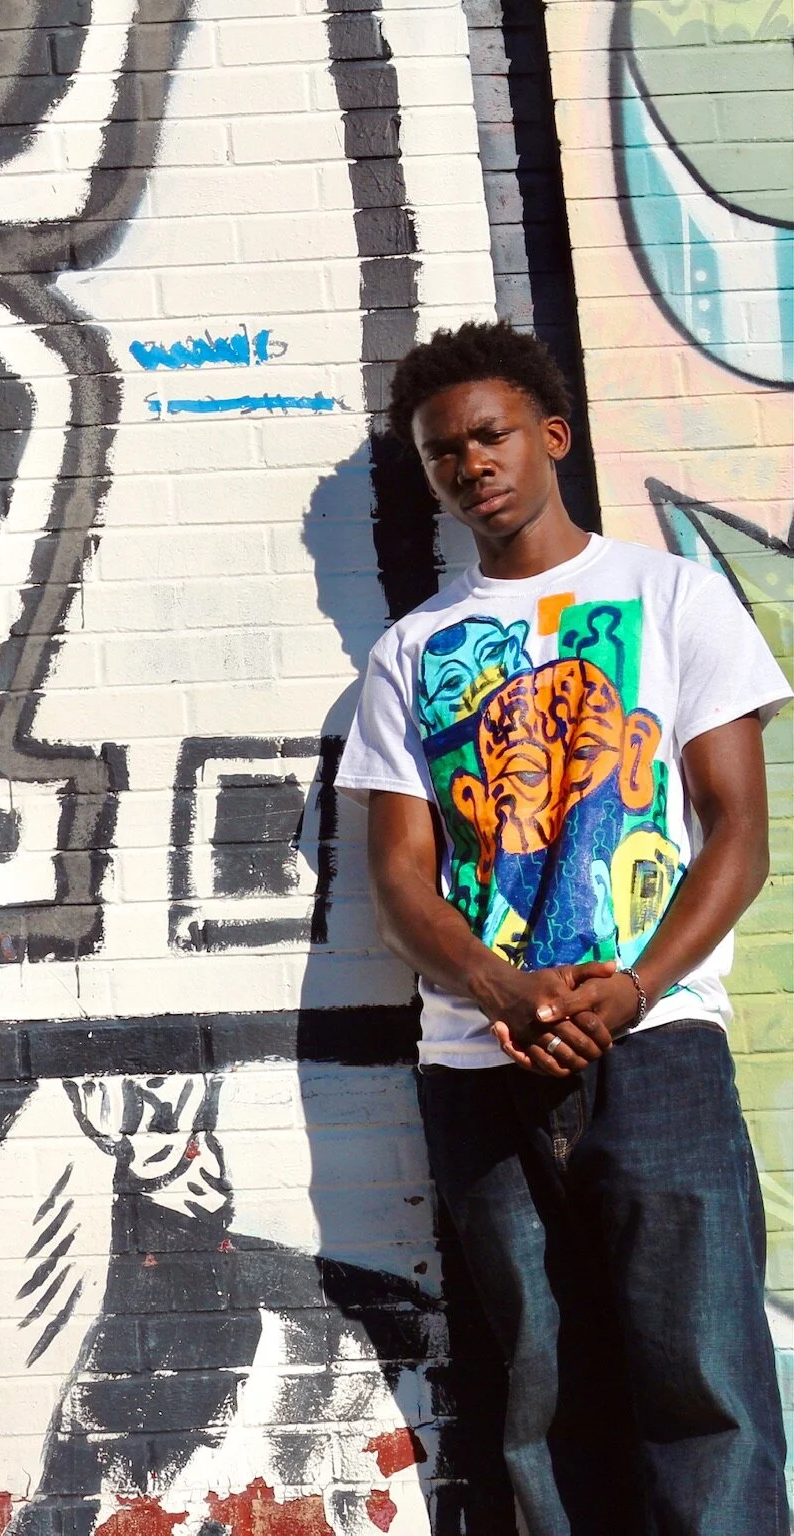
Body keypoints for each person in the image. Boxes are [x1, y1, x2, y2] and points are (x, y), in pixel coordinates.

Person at [339, 321, 790, 1534]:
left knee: (705, 1382)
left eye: (489, 436)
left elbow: (737, 835)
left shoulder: (674, 597)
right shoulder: (407, 655)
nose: (469, 465)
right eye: (442, 453)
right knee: (543, 1396)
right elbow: (400, 880)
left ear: (551, 436)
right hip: (480, 1062)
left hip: (658, 1046)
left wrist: (634, 988)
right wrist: (500, 989)